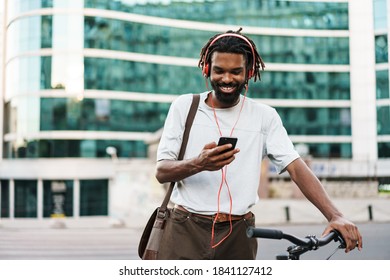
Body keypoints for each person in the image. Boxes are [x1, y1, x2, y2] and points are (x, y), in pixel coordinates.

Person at [155, 28, 362, 260]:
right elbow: (162, 171)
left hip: (239, 234)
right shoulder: (184, 107)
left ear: (250, 72)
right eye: (219, 71)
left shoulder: (265, 116)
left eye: (236, 72)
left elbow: (295, 167)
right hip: (185, 228)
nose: (226, 79)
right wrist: (198, 163)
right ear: (206, 69)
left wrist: (335, 215)